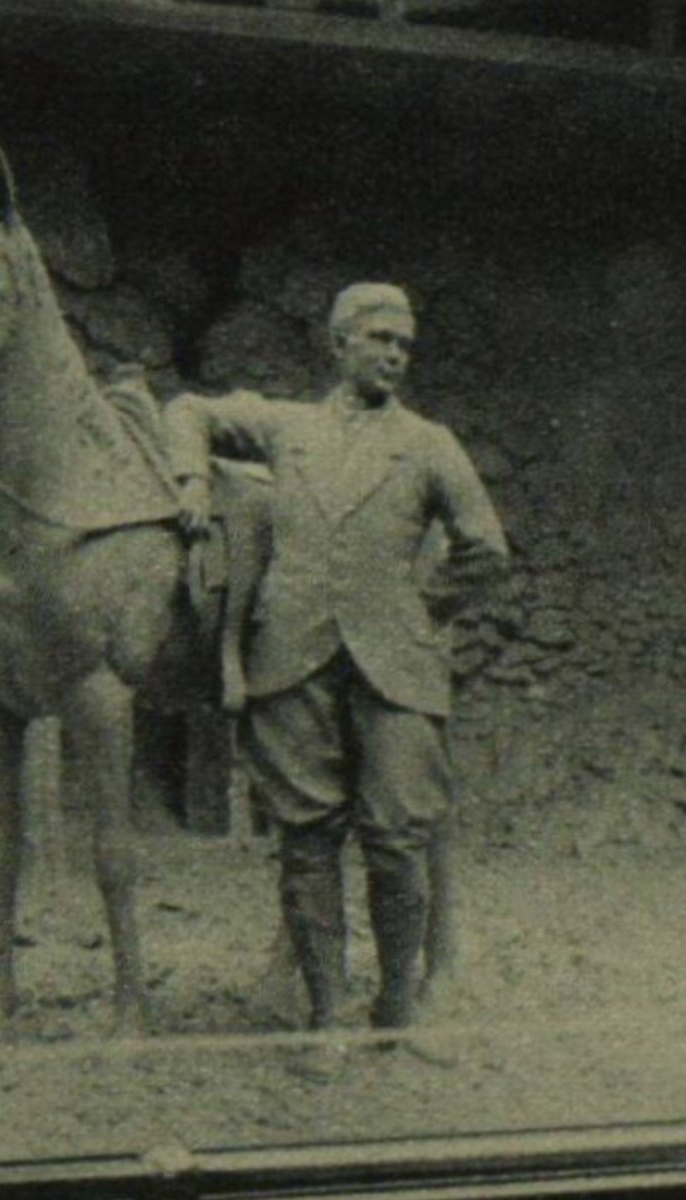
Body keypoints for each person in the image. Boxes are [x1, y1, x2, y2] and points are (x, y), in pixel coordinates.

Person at [163, 282, 509, 1031]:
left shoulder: (427, 444)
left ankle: (395, 1014)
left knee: (395, 839)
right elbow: (186, 410)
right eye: (380, 338)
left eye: (404, 344)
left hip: (398, 669)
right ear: (339, 343)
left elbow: (485, 548)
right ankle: (323, 1020)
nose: (393, 354)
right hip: (291, 660)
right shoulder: (285, 429)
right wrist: (191, 478)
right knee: (306, 840)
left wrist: (420, 608)